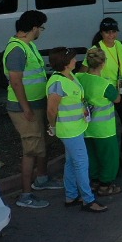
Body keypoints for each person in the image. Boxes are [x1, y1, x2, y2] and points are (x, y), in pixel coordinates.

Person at [43, 47, 105, 212]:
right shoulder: (58, 83)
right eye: (72, 58)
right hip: (69, 130)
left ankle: (71, 196)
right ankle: (88, 200)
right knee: (81, 163)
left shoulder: (69, 76)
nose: (75, 60)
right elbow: (51, 110)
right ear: (65, 63)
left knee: (71, 163)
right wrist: (53, 126)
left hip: (75, 127)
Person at [5, 10, 53, 208]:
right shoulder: (17, 49)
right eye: (41, 28)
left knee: (39, 142)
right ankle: (26, 195)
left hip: (36, 103)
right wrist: (26, 108)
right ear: (34, 28)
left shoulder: (27, 45)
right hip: (25, 108)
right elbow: (16, 82)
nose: (41, 31)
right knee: (31, 149)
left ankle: (41, 179)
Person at [92, 18, 122, 173]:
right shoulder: (96, 48)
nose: (111, 35)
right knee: (109, 128)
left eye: (113, 31)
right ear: (101, 33)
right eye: (107, 32)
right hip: (106, 95)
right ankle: (108, 161)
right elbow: (86, 71)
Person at [78, 47, 122, 198]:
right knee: (109, 157)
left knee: (92, 155)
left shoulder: (79, 77)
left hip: (86, 127)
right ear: (103, 63)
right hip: (104, 130)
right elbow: (117, 99)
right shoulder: (105, 85)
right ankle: (106, 185)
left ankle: (95, 181)